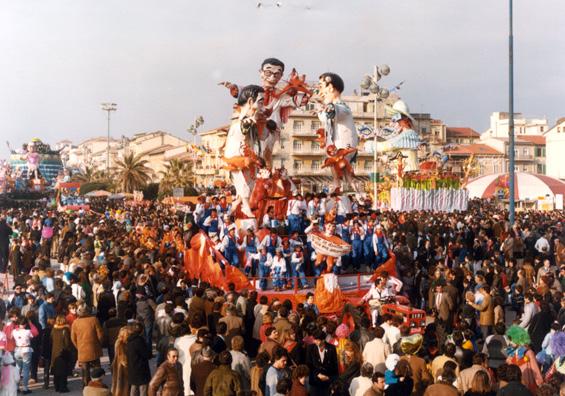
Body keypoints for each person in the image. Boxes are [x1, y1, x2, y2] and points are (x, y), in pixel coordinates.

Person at [70, 305, 104, 387]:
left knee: (85, 369)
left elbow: (73, 338)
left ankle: (86, 384)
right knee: (96, 367)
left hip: (82, 349)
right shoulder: (94, 320)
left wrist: (78, 346)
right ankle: (98, 383)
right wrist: (99, 344)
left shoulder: (75, 322)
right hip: (94, 347)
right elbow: (100, 335)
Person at [305, 330, 338, 396]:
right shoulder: (310, 348)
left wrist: (330, 378)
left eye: (317, 340)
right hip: (315, 382)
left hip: (327, 383)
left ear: (323, 340)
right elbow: (308, 365)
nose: (315, 341)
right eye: (314, 339)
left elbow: (335, 366)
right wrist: (317, 374)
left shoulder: (332, 348)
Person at [127, 321, 152, 396]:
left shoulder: (129, 340)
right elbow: (146, 354)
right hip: (141, 369)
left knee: (134, 387)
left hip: (132, 367)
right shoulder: (139, 341)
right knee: (143, 389)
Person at [50, 315, 74, 393]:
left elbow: (51, 340)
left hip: (54, 352)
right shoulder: (65, 330)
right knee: (63, 372)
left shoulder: (53, 329)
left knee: (56, 371)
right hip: (63, 353)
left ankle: (56, 386)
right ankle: (63, 387)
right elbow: (67, 343)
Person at [111, 326, 132, 396]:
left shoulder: (120, 342)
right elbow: (122, 357)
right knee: (122, 386)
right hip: (121, 368)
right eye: (128, 334)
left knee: (118, 384)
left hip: (119, 366)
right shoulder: (120, 343)